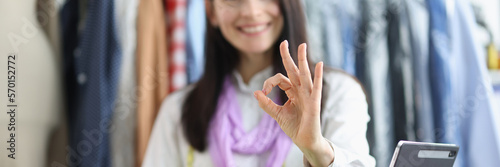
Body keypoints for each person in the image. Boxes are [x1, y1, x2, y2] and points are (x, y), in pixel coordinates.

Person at [142, 0, 375, 166]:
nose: (252, 11)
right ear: (210, 11)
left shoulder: (338, 93)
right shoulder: (178, 109)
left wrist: (317, 151)